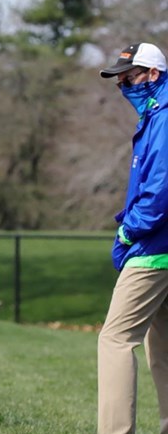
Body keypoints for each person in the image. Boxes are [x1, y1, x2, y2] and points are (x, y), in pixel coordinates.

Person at [97, 42, 168, 433]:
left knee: (116, 340)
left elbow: (159, 192)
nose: (122, 84)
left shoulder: (164, 118)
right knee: (164, 351)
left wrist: (127, 231)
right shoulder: (155, 115)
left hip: (155, 249)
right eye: (119, 78)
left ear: (153, 74)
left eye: (130, 76)